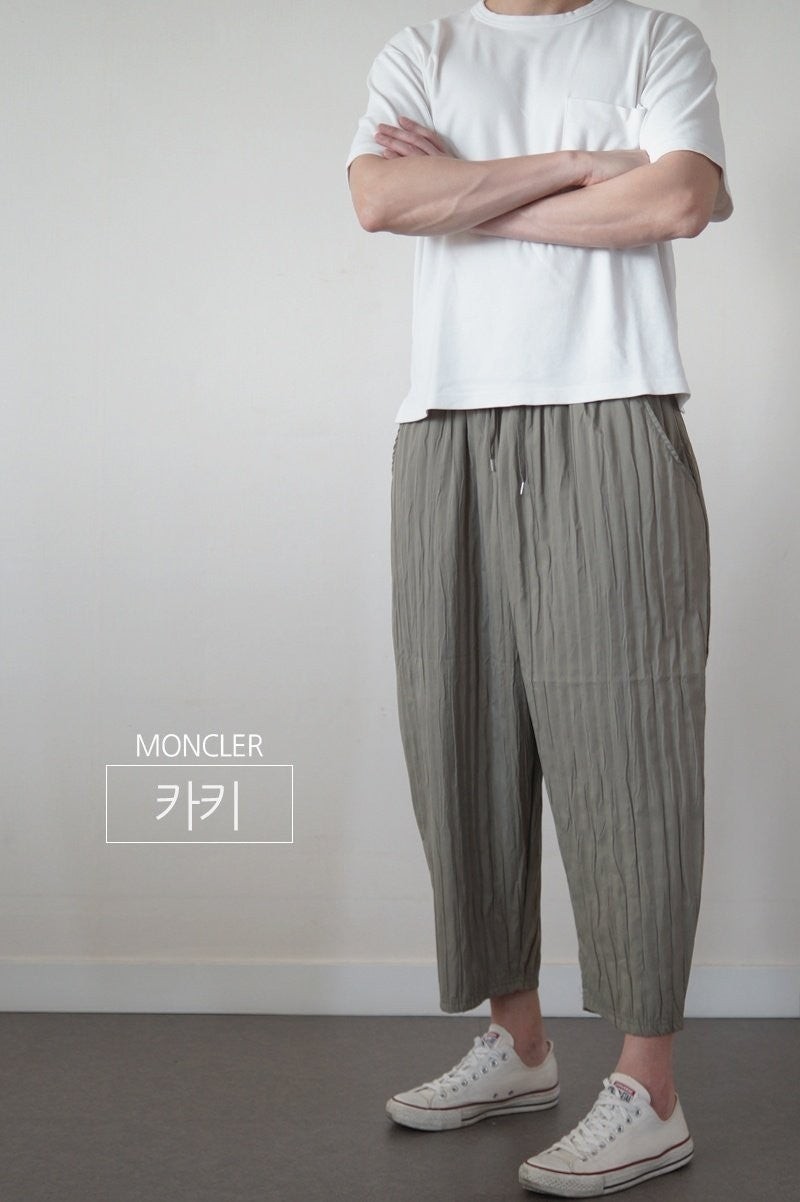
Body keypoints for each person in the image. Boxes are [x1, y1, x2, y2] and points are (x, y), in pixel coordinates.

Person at [345, 0, 732, 1195]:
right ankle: (515, 1043)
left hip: (610, 409)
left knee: (628, 738)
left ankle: (647, 1087)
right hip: (445, 424)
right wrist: (580, 165)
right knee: (456, 732)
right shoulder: (421, 51)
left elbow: (678, 200)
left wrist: (468, 193)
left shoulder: (653, 39)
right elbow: (379, 198)